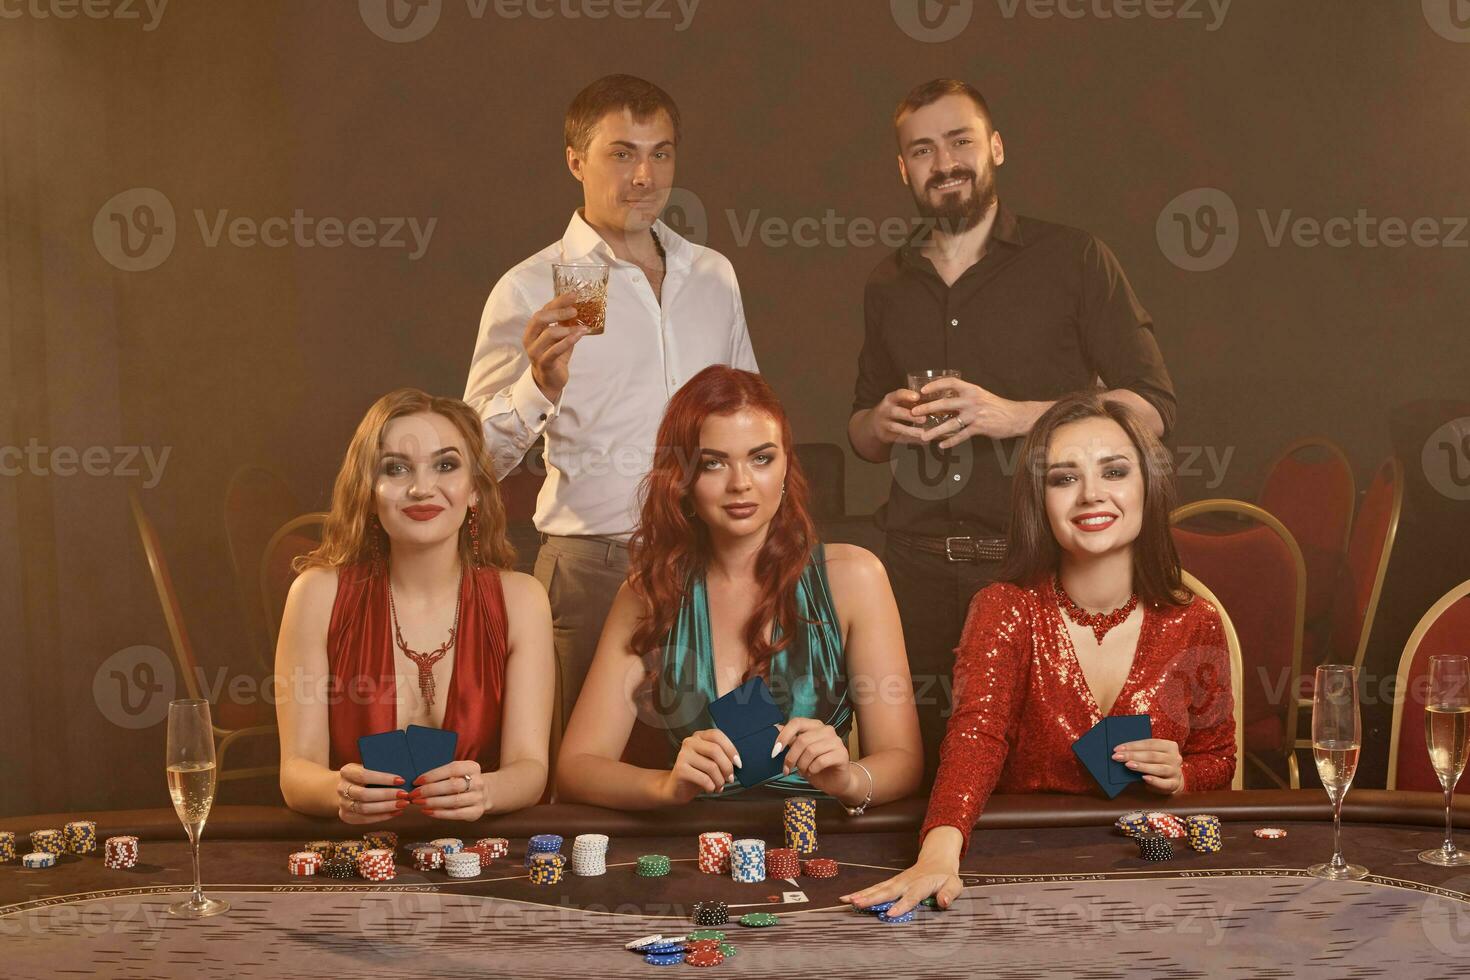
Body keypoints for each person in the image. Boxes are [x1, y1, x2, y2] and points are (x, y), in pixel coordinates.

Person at [847, 78, 1179, 782]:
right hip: (912, 573)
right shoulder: (888, 283)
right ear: (903, 169)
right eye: (923, 149)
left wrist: (1018, 416)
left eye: (961, 140)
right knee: (924, 781)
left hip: (1032, 567)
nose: (946, 162)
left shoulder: (1076, 259)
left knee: (1050, 783)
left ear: (995, 147)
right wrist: (877, 421)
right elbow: (861, 435)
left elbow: (1152, 409)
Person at [842, 393, 1235, 915]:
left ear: (1149, 487)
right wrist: (940, 850)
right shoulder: (1005, 607)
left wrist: (1185, 775)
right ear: (1038, 500)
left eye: (1114, 471)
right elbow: (976, 735)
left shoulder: (1196, 622)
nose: (1091, 495)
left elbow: (1221, 760)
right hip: (1019, 867)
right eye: (1063, 478)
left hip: (1150, 879)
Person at [465, 74, 758, 736]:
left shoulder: (711, 276)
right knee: (580, 793)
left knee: (716, 779)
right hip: (592, 570)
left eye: (661, 153)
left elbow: (750, 419)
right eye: (622, 153)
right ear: (575, 161)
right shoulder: (530, 287)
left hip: (711, 564)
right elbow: (472, 459)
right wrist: (539, 383)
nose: (645, 176)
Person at [555, 366, 923, 809]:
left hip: (820, 842)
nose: (741, 483)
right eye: (714, 463)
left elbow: (904, 762)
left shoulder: (855, 576)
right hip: (697, 849)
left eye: (761, 458)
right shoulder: (649, 592)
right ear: (683, 479)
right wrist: (666, 786)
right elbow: (577, 766)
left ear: (786, 465)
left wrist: (847, 778)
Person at [275, 388, 554, 823]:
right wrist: (339, 791)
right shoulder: (316, 595)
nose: (422, 488)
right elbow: (296, 772)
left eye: (446, 465)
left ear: (476, 489)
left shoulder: (522, 600)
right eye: (396, 468)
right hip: (358, 854)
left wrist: (484, 791)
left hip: (475, 855)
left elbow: (530, 769)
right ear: (368, 491)